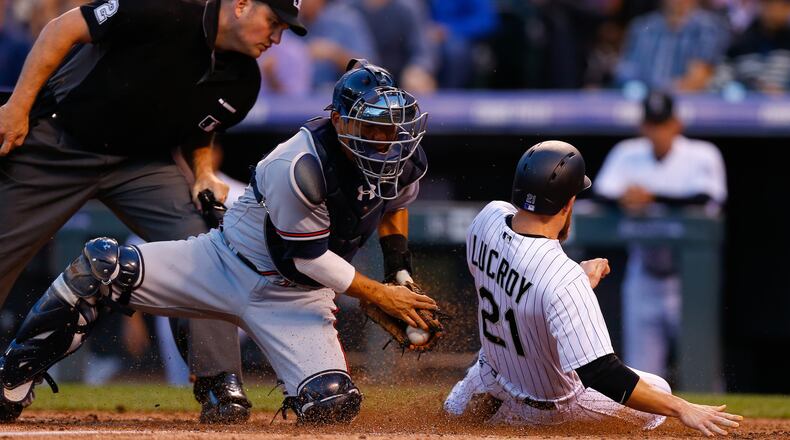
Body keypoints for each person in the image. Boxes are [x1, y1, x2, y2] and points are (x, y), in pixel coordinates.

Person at [0, 60, 438, 425]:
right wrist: (378, 294)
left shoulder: (401, 155)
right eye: (373, 127)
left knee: (332, 404)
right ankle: (12, 381)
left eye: (392, 128)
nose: (386, 141)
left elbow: (391, 202)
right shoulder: (299, 164)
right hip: (224, 263)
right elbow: (307, 258)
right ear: (339, 120)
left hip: (296, 301)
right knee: (100, 266)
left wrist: (398, 272)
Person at [0, 0, 308, 423]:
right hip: (62, 142)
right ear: (240, 5)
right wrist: (18, 105)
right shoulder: (164, 9)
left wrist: (203, 173)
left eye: (284, 30)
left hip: (141, 164)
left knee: (206, 247)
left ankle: (218, 381)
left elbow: (200, 129)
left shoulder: (243, 80)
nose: (276, 37)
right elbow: (62, 28)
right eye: (273, 22)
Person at [443, 141, 741, 436]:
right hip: (548, 407)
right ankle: (523, 422)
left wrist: (577, 284)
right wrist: (681, 408)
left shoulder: (487, 219)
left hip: (491, 375)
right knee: (659, 391)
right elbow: (602, 373)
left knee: (442, 426)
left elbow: (520, 285)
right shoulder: (563, 278)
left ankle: (485, 399)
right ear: (569, 202)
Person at [592, 91, 727, 380]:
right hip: (644, 275)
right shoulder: (627, 153)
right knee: (643, 372)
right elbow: (600, 192)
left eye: (663, 123)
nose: (657, 132)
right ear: (643, 126)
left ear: (676, 124)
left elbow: (709, 198)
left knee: (701, 369)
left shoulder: (702, 154)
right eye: (652, 124)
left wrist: (653, 198)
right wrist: (623, 200)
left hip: (689, 280)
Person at [615, 0, 729, 92]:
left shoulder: (709, 27)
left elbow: (699, 79)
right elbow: (626, 72)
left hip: (691, 105)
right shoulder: (642, 26)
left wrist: (661, 94)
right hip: (642, 103)